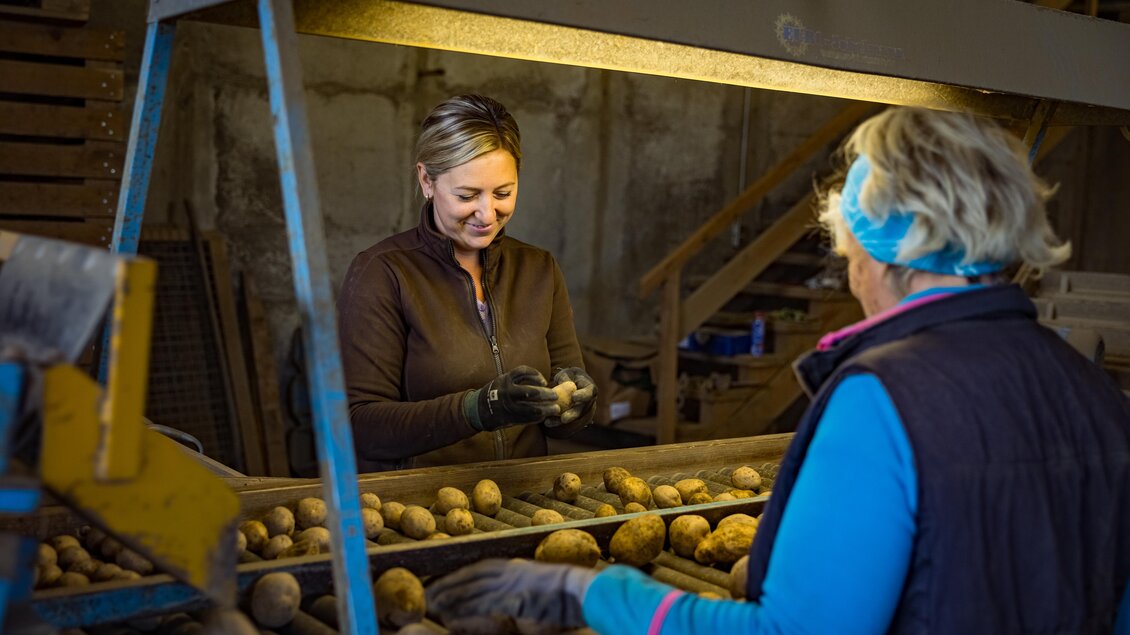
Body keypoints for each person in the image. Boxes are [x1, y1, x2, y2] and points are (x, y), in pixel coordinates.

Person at [427, 107, 1130, 633]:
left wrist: (588, 592)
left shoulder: (882, 401)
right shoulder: (1095, 393)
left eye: (847, 251)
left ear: (872, 253)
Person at [337, 94, 596, 472]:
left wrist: (577, 405)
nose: (487, 213)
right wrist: (479, 409)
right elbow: (361, 427)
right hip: (423, 500)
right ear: (427, 180)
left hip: (523, 497)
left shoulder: (538, 270)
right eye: (467, 195)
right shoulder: (383, 273)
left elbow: (565, 399)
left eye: (503, 193)